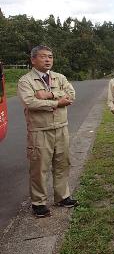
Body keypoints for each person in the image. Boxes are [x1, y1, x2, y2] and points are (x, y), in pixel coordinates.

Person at [17, 45, 78, 218]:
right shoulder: (26, 81)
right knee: (39, 168)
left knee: (62, 164)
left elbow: (71, 95)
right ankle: (38, 203)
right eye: (43, 57)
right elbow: (30, 103)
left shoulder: (59, 77)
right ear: (33, 60)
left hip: (61, 127)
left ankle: (62, 196)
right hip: (39, 131)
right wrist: (57, 102)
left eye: (50, 57)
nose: (47, 60)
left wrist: (49, 95)